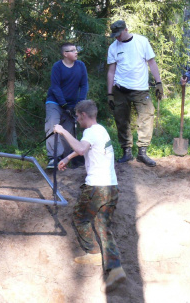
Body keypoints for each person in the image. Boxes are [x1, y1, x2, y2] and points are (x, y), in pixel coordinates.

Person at [53, 100, 125, 292]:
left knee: (80, 217)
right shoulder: (101, 130)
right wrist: (68, 158)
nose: (77, 119)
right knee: (103, 225)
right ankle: (115, 268)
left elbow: (82, 148)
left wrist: (62, 131)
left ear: (83, 115)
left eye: (77, 116)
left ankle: (93, 252)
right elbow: (88, 148)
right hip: (112, 187)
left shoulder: (89, 132)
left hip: (96, 187)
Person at [106, 20, 162, 167]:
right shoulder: (113, 47)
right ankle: (127, 152)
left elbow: (152, 63)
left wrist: (158, 82)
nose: (117, 38)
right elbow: (111, 71)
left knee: (146, 117)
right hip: (120, 89)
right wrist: (110, 93)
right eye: (115, 35)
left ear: (126, 29)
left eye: (119, 34)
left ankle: (142, 152)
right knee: (122, 120)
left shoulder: (142, 42)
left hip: (140, 89)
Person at [44, 42, 89, 169]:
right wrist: (63, 104)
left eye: (76, 49)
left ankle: (65, 159)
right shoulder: (57, 67)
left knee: (68, 131)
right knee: (52, 125)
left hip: (73, 104)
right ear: (65, 54)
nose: (76, 52)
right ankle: (53, 158)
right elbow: (55, 87)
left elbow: (84, 85)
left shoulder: (81, 66)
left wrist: (79, 103)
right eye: (73, 50)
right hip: (55, 102)